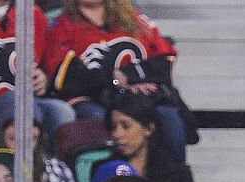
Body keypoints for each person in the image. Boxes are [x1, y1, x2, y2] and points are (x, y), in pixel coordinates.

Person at [45, 0, 194, 163]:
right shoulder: (61, 26)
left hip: (138, 100)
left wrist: (128, 76)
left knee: (168, 118)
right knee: (97, 118)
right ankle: (107, 181)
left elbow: (164, 61)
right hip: (94, 101)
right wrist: (112, 79)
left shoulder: (136, 21)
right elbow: (64, 77)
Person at [0, 0, 76, 139]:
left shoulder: (33, 14)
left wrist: (44, 78)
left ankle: (48, 160)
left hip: (28, 100)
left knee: (60, 110)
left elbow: (52, 64)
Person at [104, 90, 194, 182]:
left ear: (149, 129)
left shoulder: (178, 175)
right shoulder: (104, 171)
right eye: (113, 127)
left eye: (125, 126)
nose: (117, 134)